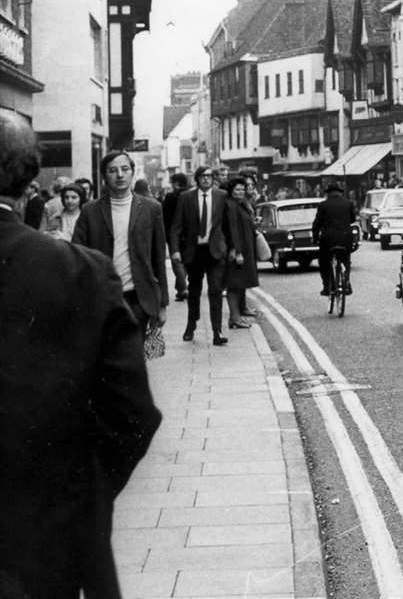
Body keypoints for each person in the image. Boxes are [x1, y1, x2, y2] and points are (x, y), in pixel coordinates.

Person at [0, 112, 162, 599]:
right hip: (49, 538)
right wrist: (84, 493)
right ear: (33, 179)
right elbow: (134, 415)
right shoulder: (82, 273)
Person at [73, 149, 172, 340]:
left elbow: (159, 258)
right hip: (103, 298)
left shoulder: (151, 208)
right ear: (104, 176)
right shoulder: (90, 211)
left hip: (139, 297)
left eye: (125, 169)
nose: (120, 175)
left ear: (132, 172)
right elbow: (77, 255)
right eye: (112, 170)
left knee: (133, 356)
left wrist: (162, 304)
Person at [168, 165, 232, 345]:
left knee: (215, 291)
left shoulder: (221, 196)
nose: (206, 179)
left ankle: (217, 331)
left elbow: (228, 224)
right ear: (197, 179)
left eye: (209, 176)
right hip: (194, 251)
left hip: (215, 251)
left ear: (213, 179)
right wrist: (174, 251)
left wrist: (232, 248)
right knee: (194, 292)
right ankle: (191, 324)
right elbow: (176, 227)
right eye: (203, 176)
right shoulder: (185, 197)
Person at [222, 176, 261, 328]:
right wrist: (236, 251)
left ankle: (236, 316)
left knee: (240, 284)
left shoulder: (241, 204)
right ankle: (235, 318)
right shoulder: (230, 205)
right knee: (234, 285)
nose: (240, 192)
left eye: (242, 189)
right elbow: (232, 230)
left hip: (246, 249)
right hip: (238, 251)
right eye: (237, 189)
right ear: (231, 191)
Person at [312, 183, 357, 298]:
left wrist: (315, 237)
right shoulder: (348, 204)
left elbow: (317, 224)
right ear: (340, 192)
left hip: (328, 239)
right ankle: (346, 282)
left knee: (324, 262)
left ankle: (326, 286)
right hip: (345, 237)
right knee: (346, 261)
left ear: (328, 193)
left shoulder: (323, 205)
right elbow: (353, 219)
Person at [161, 170, 189, 235]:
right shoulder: (193, 195)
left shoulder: (171, 197)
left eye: (172, 184)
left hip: (174, 233)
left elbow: (166, 216)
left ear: (176, 184)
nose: (172, 186)